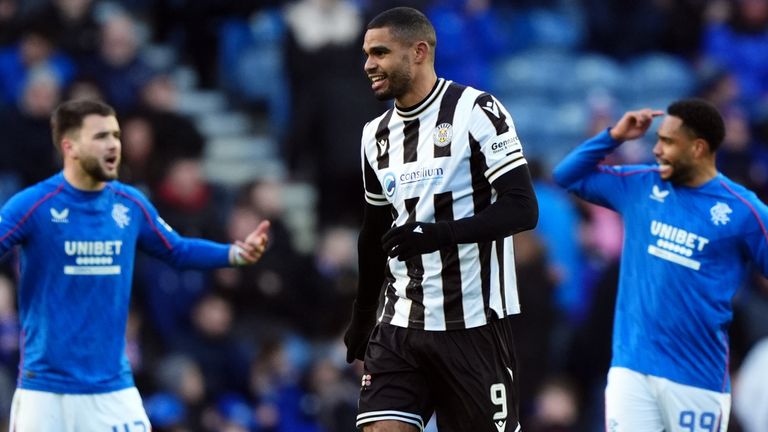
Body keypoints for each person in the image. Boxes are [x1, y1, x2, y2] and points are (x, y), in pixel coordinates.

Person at [0, 99, 270, 431]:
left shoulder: (130, 205)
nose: (113, 144)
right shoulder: (34, 205)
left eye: (115, 134)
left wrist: (235, 254)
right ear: (69, 146)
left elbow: (178, 250)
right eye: (100, 136)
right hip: (46, 390)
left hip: (112, 388)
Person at [343, 7, 539, 432]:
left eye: (380, 52)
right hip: (399, 323)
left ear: (418, 52)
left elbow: (522, 207)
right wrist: (362, 315)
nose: (368, 65)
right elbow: (373, 233)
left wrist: (439, 235)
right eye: (366, 54)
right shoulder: (373, 135)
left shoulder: (477, 110)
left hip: (474, 326)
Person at [552, 98, 768, 432]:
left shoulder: (743, 210)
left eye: (668, 141)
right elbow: (567, 175)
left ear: (697, 148)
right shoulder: (641, 184)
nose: (656, 150)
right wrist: (614, 136)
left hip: (697, 376)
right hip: (632, 370)